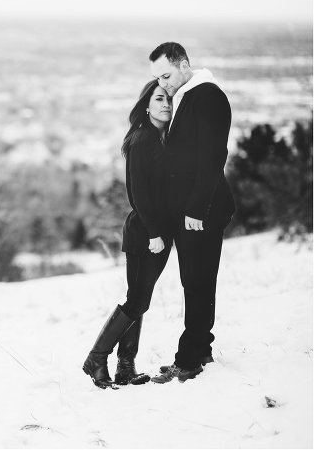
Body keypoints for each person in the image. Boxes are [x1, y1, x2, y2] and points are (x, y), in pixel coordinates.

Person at [148, 42, 235, 384]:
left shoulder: (207, 95)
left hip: (203, 210)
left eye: (167, 75)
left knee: (197, 281)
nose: (164, 84)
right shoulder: (188, 94)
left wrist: (197, 207)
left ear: (184, 65)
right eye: (158, 78)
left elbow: (214, 156)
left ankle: (189, 360)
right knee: (194, 281)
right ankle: (202, 349)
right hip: (191, 210)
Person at [82, 80, 173, 389]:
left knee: (140, 300)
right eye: (159, 99)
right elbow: (139, 195)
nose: (165, 104)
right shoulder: (142, 140)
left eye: (169, 100)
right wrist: (156, 233)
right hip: (145, 233)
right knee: (136, 301)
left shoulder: (162, 139)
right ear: (146, 106)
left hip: (158, 233)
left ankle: (125, 366)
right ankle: (96, 358)